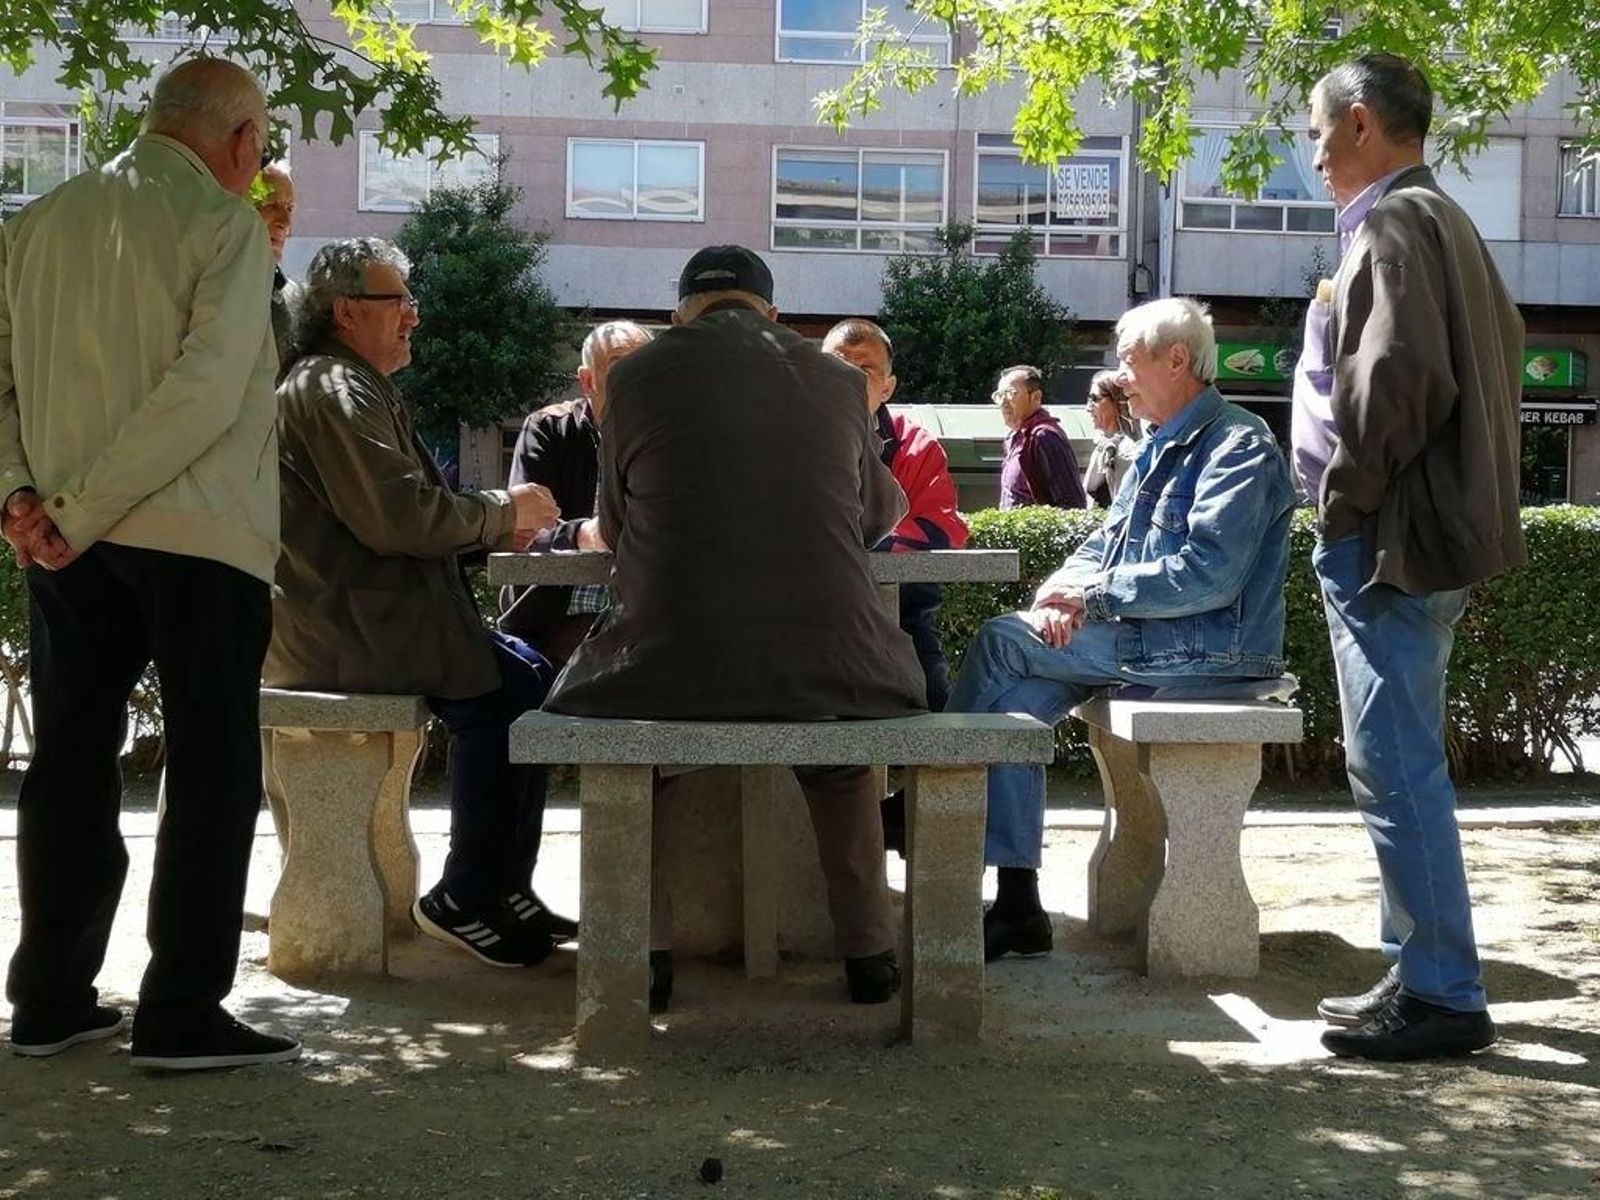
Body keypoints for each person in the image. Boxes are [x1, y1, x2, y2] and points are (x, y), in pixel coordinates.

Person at [0, 58, 301, 1069]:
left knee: (71, 758)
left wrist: (25, 501)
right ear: (242, 140)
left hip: (60, 537)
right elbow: (209, 390)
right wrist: (76, 510)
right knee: (212, 764)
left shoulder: (35, 225)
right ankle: (179, 1010)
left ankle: (47, 997)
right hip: (196, 532)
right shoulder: (225, 228)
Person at [543, 245, 926, 1012]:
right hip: (832, 664)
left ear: (680, 313)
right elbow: (883, 515)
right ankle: (869, 954)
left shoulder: (635, 379)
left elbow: (614, 528)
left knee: (635, 754)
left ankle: (648, 958)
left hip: (669, 662)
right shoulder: (841, 380)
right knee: (842, 758)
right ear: (773, 315)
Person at [948, 298, 1295, 962]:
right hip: (1147, 643)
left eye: (1129, 362)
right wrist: (1060, 592)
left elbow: (1210, 574)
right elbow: (1103, 543)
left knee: (998, 640)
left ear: (1176, 358)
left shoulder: (1238, 444)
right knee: (1015, 712)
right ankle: (1018, 904)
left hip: (1211, 652)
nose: (1120, 378)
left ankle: (931, 817)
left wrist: (1092, 597)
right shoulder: (1159, 444)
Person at [1300, 54, 1524, 1061]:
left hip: (1390, 542)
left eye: (1316, 131)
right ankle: (1419, 973)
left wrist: (1340, 502)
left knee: (1394, 768)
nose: (1311, 154)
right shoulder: (1448, 224)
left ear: (1357, 124)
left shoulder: (1394, 224)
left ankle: (1440, 993)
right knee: (1400, 763)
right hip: (1423, 538)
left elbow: (1396, 378)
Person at [268, 237, 573, 968]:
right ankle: (466, 893)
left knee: (530, 673)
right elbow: (397, 519)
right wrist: (505, 510)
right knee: (507, 692)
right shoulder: (334, 389)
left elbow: (403, 515)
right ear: (346, 310)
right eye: (397, 300)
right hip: (346, 625)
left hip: (372, 612)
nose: (413, 316)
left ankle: (501, 881)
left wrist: (492, 528)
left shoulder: (348, 383)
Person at [821, 318, 968, 710]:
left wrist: (853, 543)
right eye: (836, 365)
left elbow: (939, 528)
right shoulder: (787, 441)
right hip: (808, 616)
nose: (848, 377)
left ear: (888, 387)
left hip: (900, 614)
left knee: (934, 708)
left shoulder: (915, 444)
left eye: (864, 368)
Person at [499, 320, 652, 667]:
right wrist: (587, 534)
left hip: (643, 627)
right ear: (587, 381)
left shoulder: (668, 442)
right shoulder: (550, 431)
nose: (634, 380)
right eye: (619, 367)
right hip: (554, 624)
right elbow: (523, 533)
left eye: (643, 367)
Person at [994, 365, 1087, 510]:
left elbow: (1072, 505)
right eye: (999, 395)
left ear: (1036, 397)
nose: (1003, 403)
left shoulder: (1044, 436)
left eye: (1010, 393)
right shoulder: (1014, 438)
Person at [253, 159, 299, 378]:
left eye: (290, 208)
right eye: (271, 205)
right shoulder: (212, 284)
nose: (286, 222)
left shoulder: (289, 293)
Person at [1081, 370, 1142, 507]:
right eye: (1089, 399)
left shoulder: (1127, 452)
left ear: (1118, 400)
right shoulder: (1103, 445)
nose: (1088, 408)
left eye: (1095, 399)